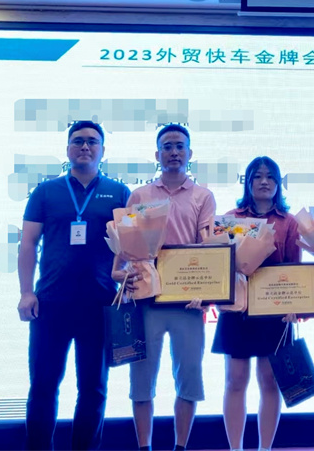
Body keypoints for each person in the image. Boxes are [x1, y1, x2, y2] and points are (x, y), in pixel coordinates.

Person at [18, 120, 130, 450]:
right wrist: (26, 292)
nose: (85, 146)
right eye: (78, 141)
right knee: (43, 386)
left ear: (102, 150)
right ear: (67, 149)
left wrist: (126, 281)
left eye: (92, 141)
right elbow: (28, 244)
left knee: (94, 388)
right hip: (50, 303)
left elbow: (130, 245)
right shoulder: (45, 192)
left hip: (100, 304)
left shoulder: (119, 192)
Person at [112, 123, 215, 451]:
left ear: (189, 153)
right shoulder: (140, 196)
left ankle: (180, 446)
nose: (174, 152)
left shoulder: (203, 196)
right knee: (142, 379)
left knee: (189, 377)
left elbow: (208, 248)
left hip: (187, 302)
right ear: (157, 155)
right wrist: (119, 273)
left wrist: (208, 292)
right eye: (167, 146)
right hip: (146, 301)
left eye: (180, 146)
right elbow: (124, 247)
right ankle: (144, 446)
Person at [212, 156, 300, 451]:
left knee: (270, 381)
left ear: (278, 183)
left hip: (274, 311)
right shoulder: (230, 218)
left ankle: (265, 448)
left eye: (270, 177)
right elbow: (219, 265)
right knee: (235, 380)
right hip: (237, 310)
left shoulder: (289, 223)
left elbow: (294, 268)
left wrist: (295, 304)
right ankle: (235, 448)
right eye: (258, 176)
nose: (264, 182)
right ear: (248, 183)